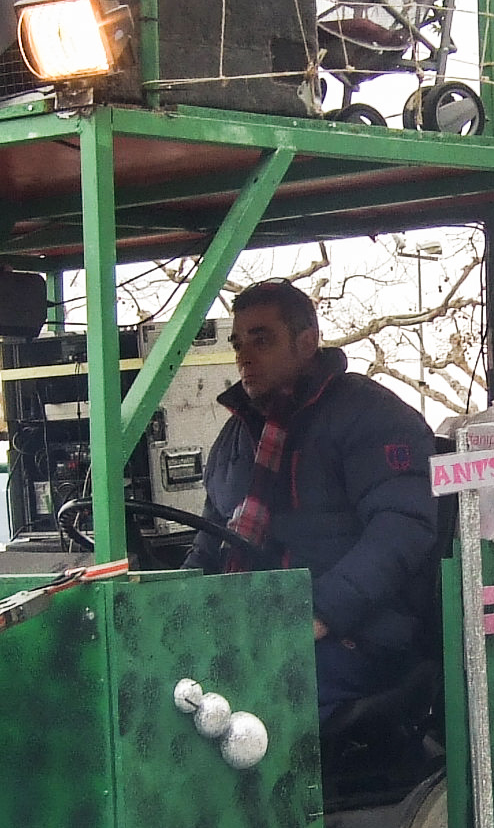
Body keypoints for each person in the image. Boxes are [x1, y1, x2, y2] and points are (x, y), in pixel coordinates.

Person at [188, 280, 441, 714]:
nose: (244, 356)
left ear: (307, 342)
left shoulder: (372, 415)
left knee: (239, 700)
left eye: (262, 340)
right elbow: (210, 540)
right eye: (238, 344)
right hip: (257, 630)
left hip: (360, 639)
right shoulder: (235, 437)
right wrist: (173, 607)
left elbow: (402, 528)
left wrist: (321, 612)